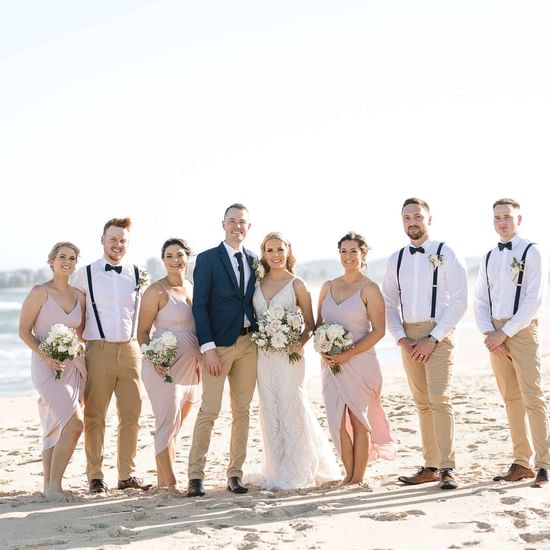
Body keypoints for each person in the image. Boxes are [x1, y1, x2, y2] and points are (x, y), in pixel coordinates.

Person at [382, 198, 467, 490]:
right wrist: (400, 338)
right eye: (406, 218)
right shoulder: (397, 258)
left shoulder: (446, 252)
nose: (412, 222)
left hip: (439, 333)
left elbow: (459, 300)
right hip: (409, 336)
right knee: (422, 403)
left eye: (417, 216)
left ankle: (448, 467)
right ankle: (430, 465)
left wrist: (433, 338)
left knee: (440, 399)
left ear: (429, 219)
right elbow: (389, 302)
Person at [251, 232, 340, 489]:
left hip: (291, 357)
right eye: (270, 250)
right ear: (264, 253)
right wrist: (267, 338)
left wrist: (294, 344)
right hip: (264, 356)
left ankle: (300, 467)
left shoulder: (297, 284)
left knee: (292, 404)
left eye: (280, 249)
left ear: (288, 251)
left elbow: (310, 325)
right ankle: (276, 468)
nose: (276, 255)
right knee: (269, 406)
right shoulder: (256, 283)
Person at [474, 198, 550, 488]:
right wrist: (487, 333)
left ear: (519, 219)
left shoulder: (532, 251)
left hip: (522, 330)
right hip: (494, 333)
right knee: (511, 398)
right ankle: (521, 462)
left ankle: (544, 463)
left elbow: (535, 299)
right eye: (497, 218)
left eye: (506, 217)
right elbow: (480, 298)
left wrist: (504, 333)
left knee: (533, 396)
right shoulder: (489, 256)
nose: (501, 222)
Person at [74, 217, 151, 494]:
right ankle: (95, 475)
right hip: (98, 350)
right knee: (95, 416)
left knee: (131, 416)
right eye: (113, 239)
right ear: (103, 240)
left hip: (131, 350)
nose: (118, 245)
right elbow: (75, 313)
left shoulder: (138, 273)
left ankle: (126, 475)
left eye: (123, 240)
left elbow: (144, 316)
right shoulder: (85, 274)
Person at [187, 203, 258, 497]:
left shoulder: (255, 259)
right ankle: (195, 476)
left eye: (242, 222)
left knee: (242, 411)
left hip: (249, 344)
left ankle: (235, 474)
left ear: (248, 227)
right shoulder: (206, 259)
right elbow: (200, 306)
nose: (237, 226)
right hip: (218, 346)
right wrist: (208, 348)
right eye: (232, 221)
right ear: (223, 224)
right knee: (210, 410)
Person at [317, 232, 396, 485]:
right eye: (344, 251)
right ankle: (347, 473)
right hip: (330, 365)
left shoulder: (369, 289)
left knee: (358, 420)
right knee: (335, 422)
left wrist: (348, 354)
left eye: (353, 251)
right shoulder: (328, 286)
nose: (348, 256)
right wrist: (323, 348)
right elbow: (319, 325)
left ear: (363, 254)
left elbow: (379, 331)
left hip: (360, 362)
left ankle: (356, 478)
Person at [19, 242, 87, 498]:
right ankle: (56, 486)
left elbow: (82, 335)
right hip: (45, 367)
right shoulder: (39, 292)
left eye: (72, 257)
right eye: (62, 257)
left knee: (53, 425)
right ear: (51, 261)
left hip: (74, 366)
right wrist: (46, 356)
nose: (67, 261)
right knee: (75, 424)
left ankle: (48, 486)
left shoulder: (79, 296)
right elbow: (24, 331)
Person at [137, 238, 202, 493]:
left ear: (188, 257)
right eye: (169, 256)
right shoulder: (155, 291)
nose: (175, 260)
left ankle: (164, 480)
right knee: (166, 423)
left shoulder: (193, 287)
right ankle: (171, 483)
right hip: (164, 368)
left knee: (175, 427)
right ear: (163, 260)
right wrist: (155, 360)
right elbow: (142, 333)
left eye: (180, 255)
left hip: (192, 368)